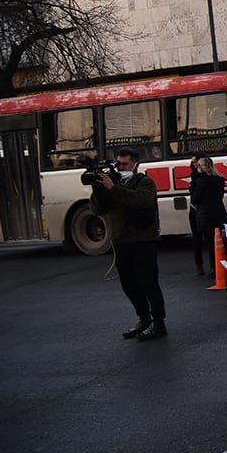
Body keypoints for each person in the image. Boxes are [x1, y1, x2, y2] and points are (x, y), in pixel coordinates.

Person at [90, 146, 167, 342]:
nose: (121, 167)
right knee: (129, 285)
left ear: (136, 164)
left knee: (149, 283)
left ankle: (159, 324)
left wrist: (112, 188)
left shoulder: (145, 182)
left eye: (125, 164)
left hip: (143, 241)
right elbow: (98, 210)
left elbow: (139, 201)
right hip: (120, 242)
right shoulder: (112, 184)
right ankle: (144, 318)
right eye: (119, 163)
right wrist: (98, 189)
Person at [191, 156, 227, 277]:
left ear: (201, 167)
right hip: (219, 212)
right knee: (221, 242)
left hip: (206, 215)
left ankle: (215, 268)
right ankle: (222, 265)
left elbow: (196, 198)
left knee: (211, 243)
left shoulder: (200, 181)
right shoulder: (219, 179)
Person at [187, 152, 207, 276]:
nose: (192, 165)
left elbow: (196, 197)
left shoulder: (200, 179)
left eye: (194, 162)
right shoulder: (197, 176)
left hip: (199, 210)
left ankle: (200, 265)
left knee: (199, 238)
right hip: (198, 209)